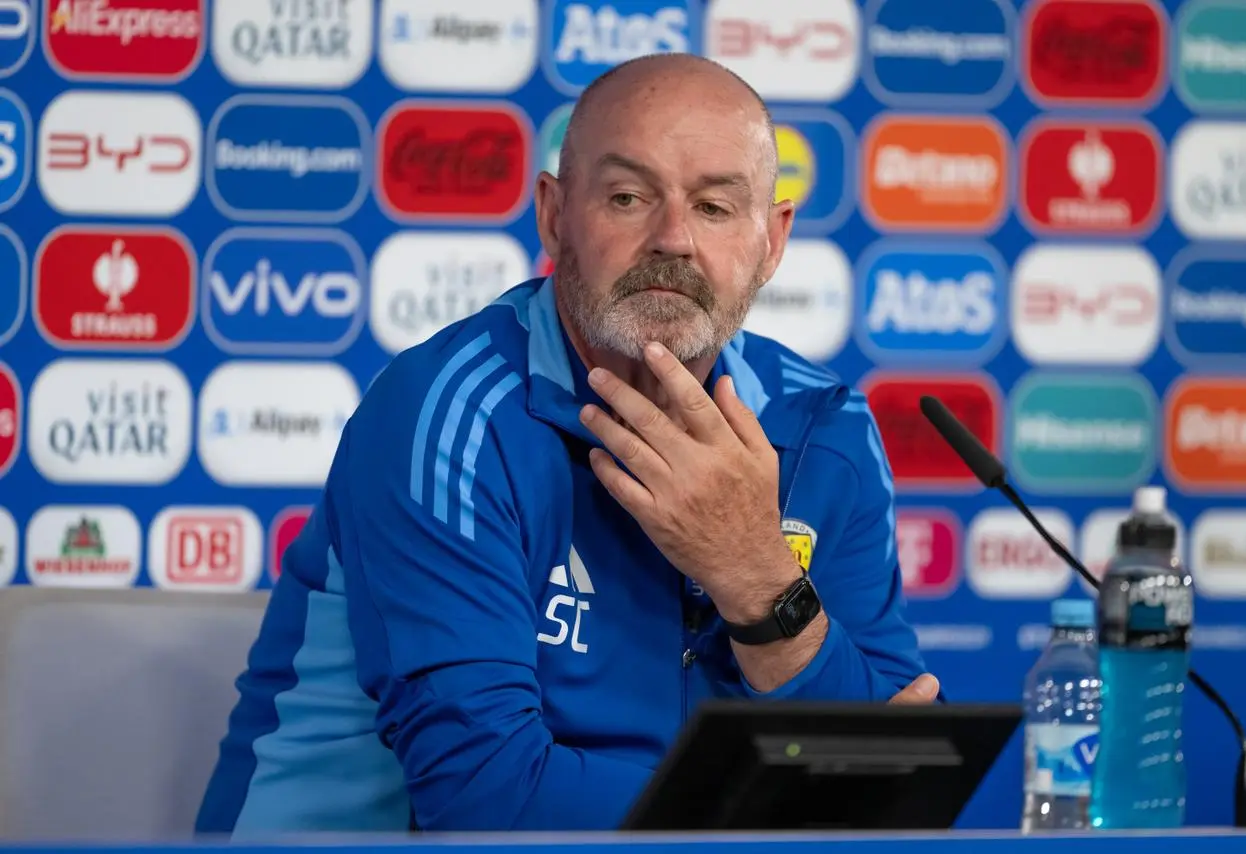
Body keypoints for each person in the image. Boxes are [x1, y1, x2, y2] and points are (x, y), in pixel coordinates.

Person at [196, 53, 940, 836]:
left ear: (773, 239)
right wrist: (779, 803)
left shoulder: (825, 429)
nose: (673, 239)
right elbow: (484, 795)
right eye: (627, 197)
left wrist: (759, 580)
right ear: (555, 215)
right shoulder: (445, 415)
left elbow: (904, 765)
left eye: (716, 207)